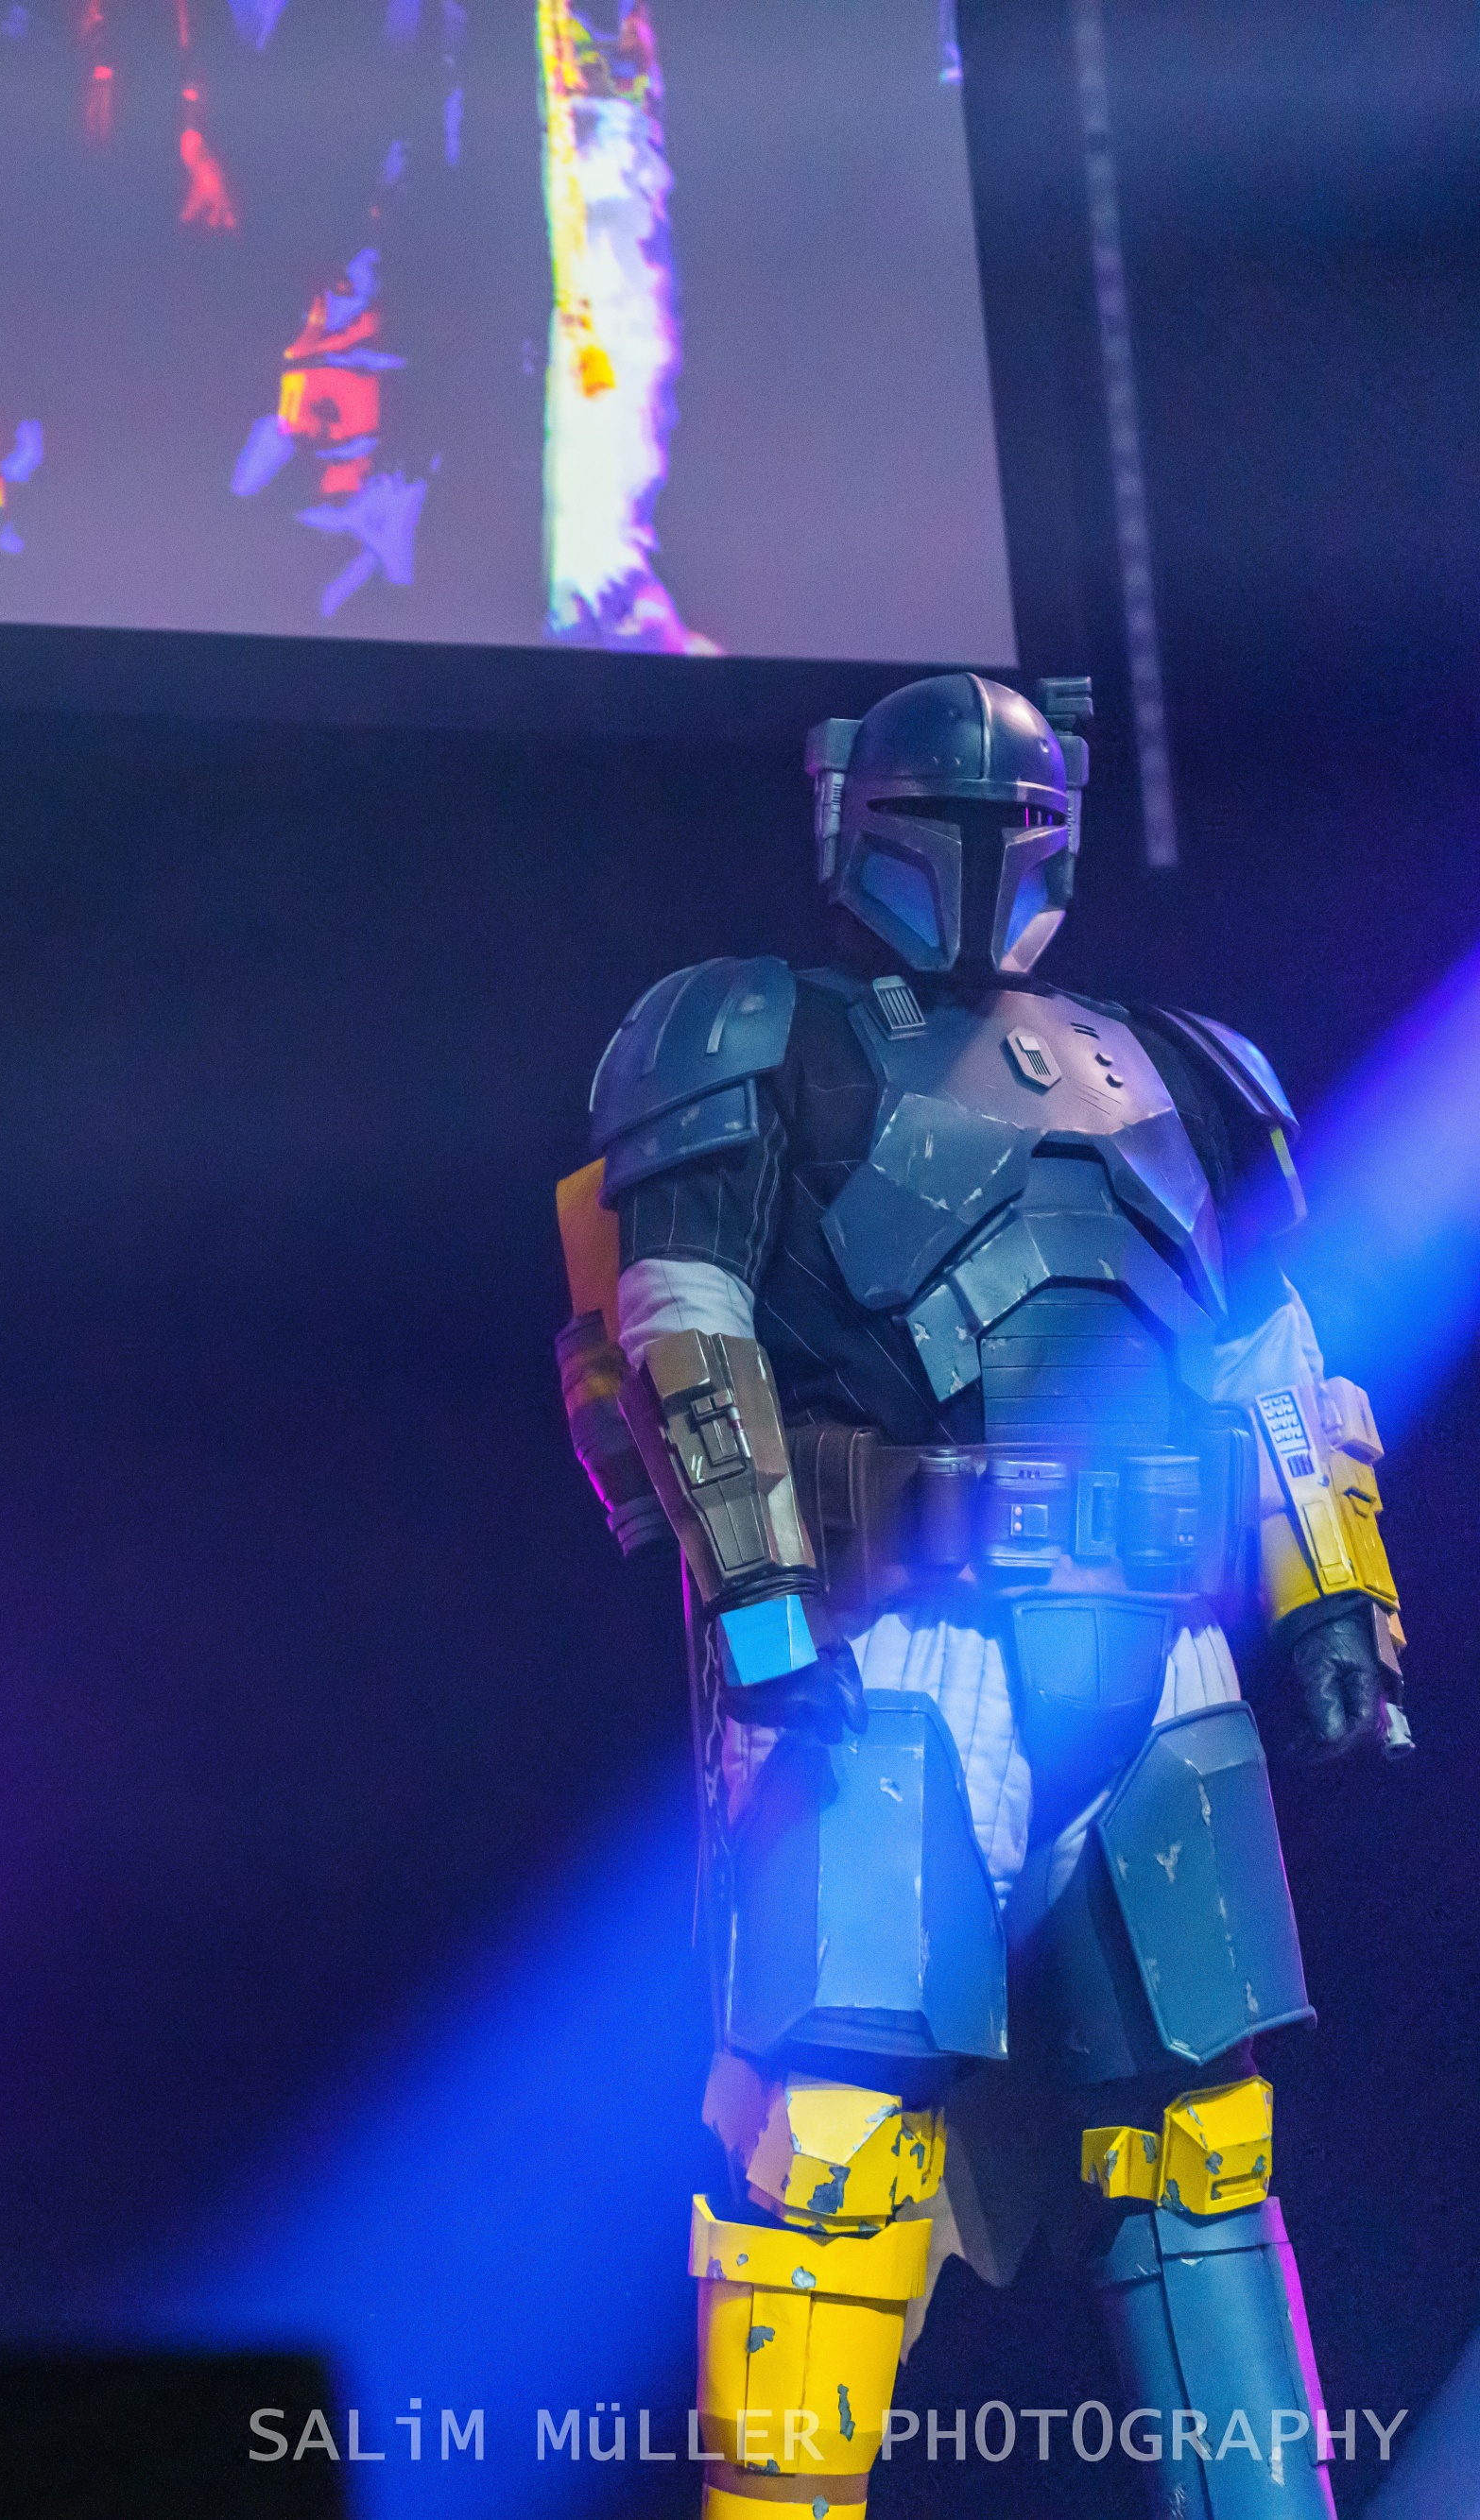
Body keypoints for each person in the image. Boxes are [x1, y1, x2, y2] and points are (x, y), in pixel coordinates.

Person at [555, 674, 1398, 2520]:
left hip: (1158, 1654)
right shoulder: (750, 1035)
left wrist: (1333, 1593)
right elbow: (672, 1327)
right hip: (888, 1655)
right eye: (943, 816)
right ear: (849, 813)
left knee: (1200, 2152)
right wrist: (762, 1603)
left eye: (1012, 817)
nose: (978, 852)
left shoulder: (1183, 1065)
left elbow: (1269, 1350)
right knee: (828, 2142)